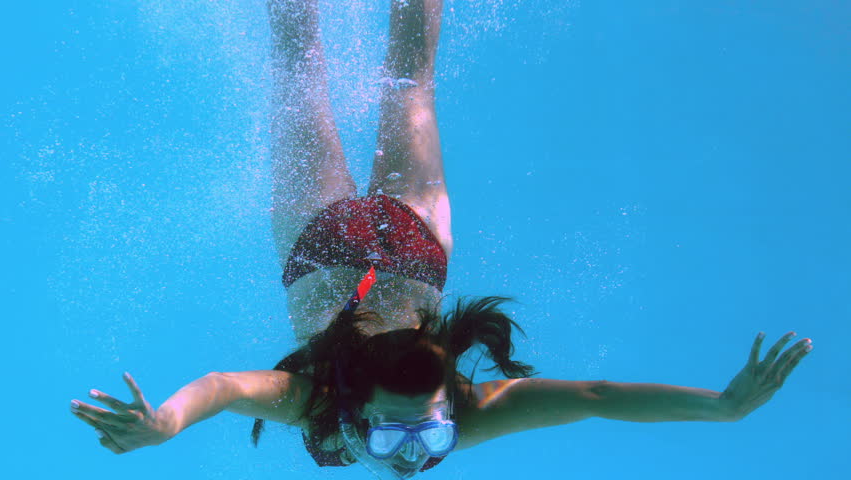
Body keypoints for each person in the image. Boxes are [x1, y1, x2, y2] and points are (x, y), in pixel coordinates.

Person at [69, 1, 814, 479]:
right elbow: (593, 396)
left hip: (354, 246)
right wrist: (718, 407)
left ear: (361, 409)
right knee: (395, 80)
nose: (412, 458)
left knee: (315, 68)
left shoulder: (318, 402)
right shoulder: (453, 408)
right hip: (372, 247)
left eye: (400, 440)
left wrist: (168, 420)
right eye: (427, 439)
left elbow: (228, 389)